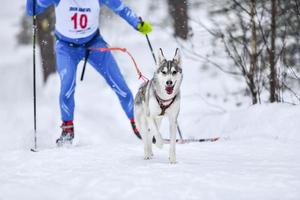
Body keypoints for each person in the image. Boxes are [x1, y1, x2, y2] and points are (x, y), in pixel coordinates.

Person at [26, 0, 152, 145]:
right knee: (67, 86)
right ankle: (67, 130)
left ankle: (137, 121)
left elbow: (121, 9)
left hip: (94, 45)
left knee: (119, 83)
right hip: (66, 48)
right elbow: (32, 10)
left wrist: (137, 23)